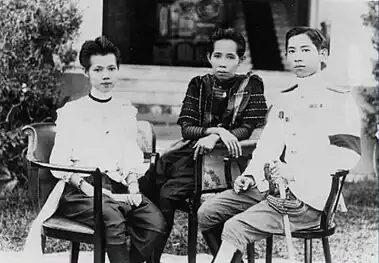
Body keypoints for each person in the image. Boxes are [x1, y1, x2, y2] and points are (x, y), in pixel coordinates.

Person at [198, 26, 354, 263]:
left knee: (234, 227)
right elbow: (268, 146)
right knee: (207, 213)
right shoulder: (285, 98)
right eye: (292, 51)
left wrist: (296, 172)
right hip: (275, 187)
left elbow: (347, 154)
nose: (297, 56)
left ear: (323, 55)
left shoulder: (338, 99)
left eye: (305, 50)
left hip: (311, 197)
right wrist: (250, 176)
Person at [25, 36, 166, 263]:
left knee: (156, 224)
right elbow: (61, 160)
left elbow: (130, 155)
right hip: (80, 190)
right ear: (86, 72)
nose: (106, 75)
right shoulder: (71, 112)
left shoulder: (124, 110)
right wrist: (88, 188)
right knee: (113, 219)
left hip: (119, 185)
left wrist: (133, 186)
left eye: (111, 68)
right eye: (98, 69)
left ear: (118, 70)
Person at [138, 28, 268, 262]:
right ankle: (147, 253)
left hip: (226, 163)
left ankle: (152, 255)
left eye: (230, 57)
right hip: (191, 156)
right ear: (209, 57)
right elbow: (187, 128)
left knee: (167, 193)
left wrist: (218, 139)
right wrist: (215, 130)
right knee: (153, 182)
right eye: (217, 56)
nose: (223, 63)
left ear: (240, 60)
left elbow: (248, 128)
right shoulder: (199, 84)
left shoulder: (251, 86)